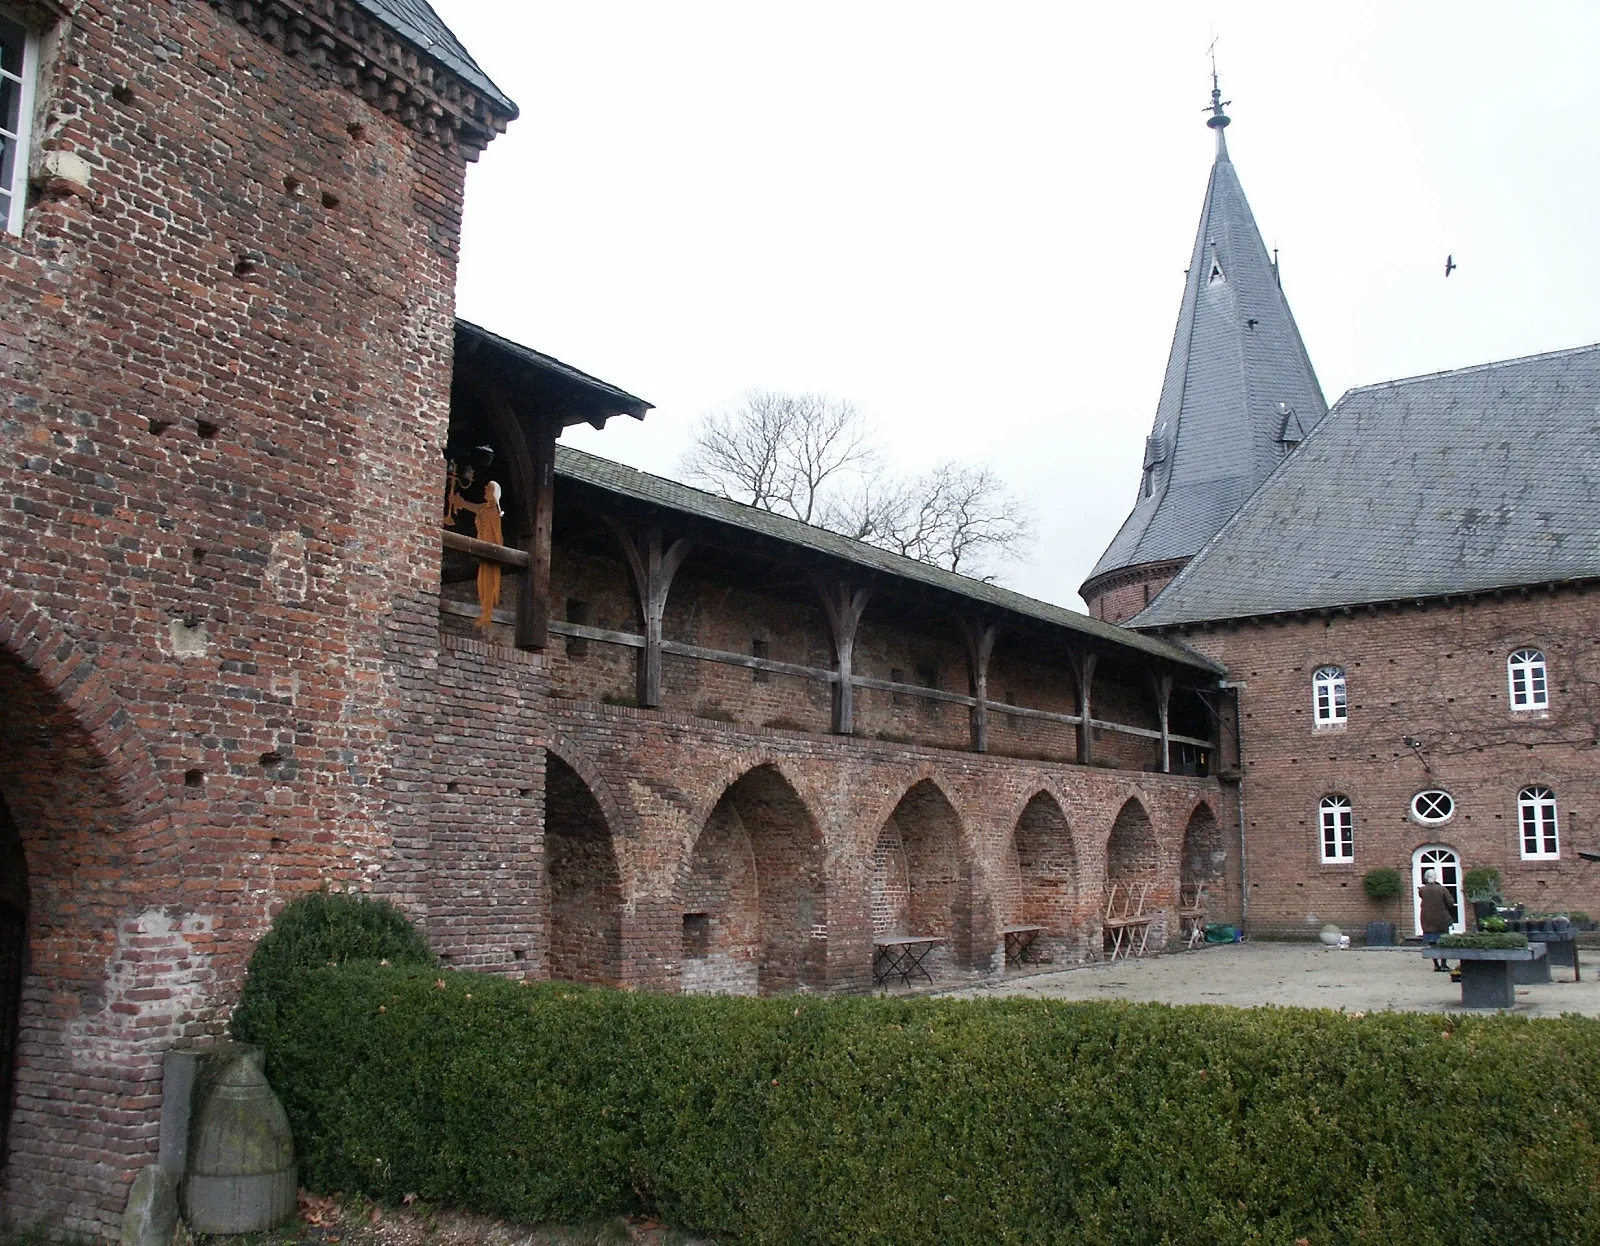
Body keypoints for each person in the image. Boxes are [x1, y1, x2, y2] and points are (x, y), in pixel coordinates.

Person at [1418, 868, 1457, 971]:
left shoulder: (1422, 890)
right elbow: (1451, 902)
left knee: (1432, 942)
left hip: (1427, 918)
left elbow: (1422, 895)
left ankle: (1436, 964)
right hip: (1441, 918)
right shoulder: (1442, 889)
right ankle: (1444, 964)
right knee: (1443, 941)